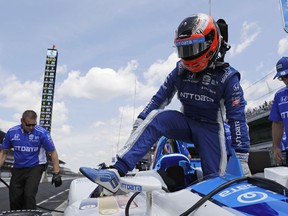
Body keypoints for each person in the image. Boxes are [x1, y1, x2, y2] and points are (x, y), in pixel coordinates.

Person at [80, 13, 251, 193]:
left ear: (210, 43)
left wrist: (241, 157)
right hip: (185, 122)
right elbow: (159, 99)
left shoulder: (228, 77)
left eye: (194, 47)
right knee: (158, 118)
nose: (188, 55)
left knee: (216, 186)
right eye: (184, 49)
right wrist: (140, 122)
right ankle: (117, 170)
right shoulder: (179, 70)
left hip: (210, 130)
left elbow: (237, 119)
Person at [0, 110, 62, 210]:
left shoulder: (42, 133)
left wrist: (56, 173)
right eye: (28, 125)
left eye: (34, 124)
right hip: (18, 167)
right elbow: (3, 152)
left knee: (28, 195)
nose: (31, 127)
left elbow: (53, 152)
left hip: (35, 167)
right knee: (15, 198)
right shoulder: (12, 132)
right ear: (21, 121)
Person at [269, 57, 288, 165]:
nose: (286, 80)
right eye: (282, 78)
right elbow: (277, 123)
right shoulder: (279, 96)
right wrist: (276, 146)